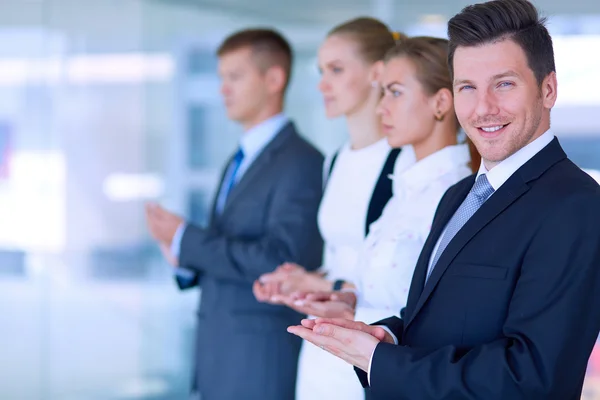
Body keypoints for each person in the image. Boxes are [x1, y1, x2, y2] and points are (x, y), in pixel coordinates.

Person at [287, 1, 600, 399]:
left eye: (503, 84)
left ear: (548, 89)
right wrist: (386, 335)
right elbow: (441, 319)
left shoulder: (576, 205)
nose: (483, 107)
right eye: (467, 87)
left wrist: (381, 361)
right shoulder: (458, 197)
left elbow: (535, 377)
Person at [145, 28, 324, 400]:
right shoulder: (239, 159)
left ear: (274, 79)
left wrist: (187, 238)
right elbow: (228, 249)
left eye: (235, 77)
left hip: (260, 359)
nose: (223, 89)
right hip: (221, 356)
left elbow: (282, 260)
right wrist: (182, 257)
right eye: (221, 78)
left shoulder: (302, 162)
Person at [253, 17, 413, 400]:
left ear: (377, 73)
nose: (322, 84)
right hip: (321, 344)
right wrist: (302, 279)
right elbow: (340, 255)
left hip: (370, 343)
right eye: (321, 71)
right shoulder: (335, 159)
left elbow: (403, 276)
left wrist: (325, 286)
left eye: (337, 70)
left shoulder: (405, 163)